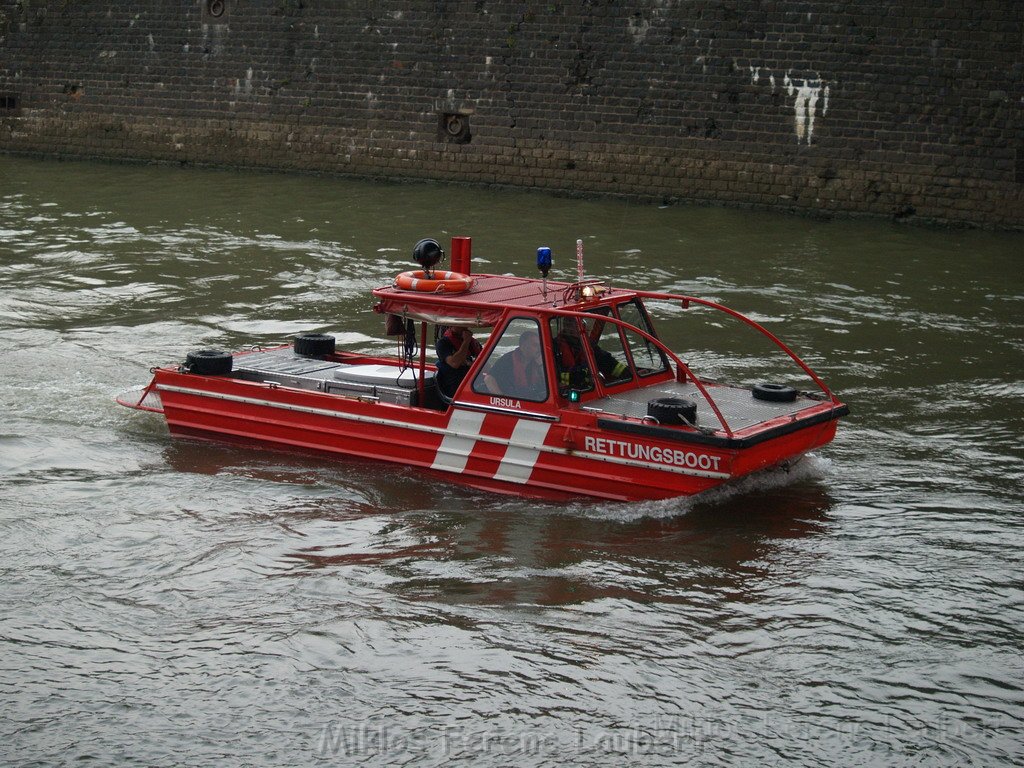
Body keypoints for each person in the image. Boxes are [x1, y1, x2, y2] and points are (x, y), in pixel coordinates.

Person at [482, 329, 547, 401]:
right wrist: (502, 398)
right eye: (535, 345)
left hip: (527, 398)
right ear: (523, 346)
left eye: (539, 345)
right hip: (508, 399)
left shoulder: (537, 362)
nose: (539, 349)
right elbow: (488, 379)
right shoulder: (507, 360)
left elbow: (544, 385)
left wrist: (541, 365)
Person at [435, 325, 481, 398]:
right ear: (452, 325)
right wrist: (466, 342)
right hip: (454, 386)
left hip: (473, 383)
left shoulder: (474, 343)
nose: (465, 328)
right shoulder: (443, 343)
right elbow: (454, 363)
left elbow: (484, 364)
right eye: (461, 325)